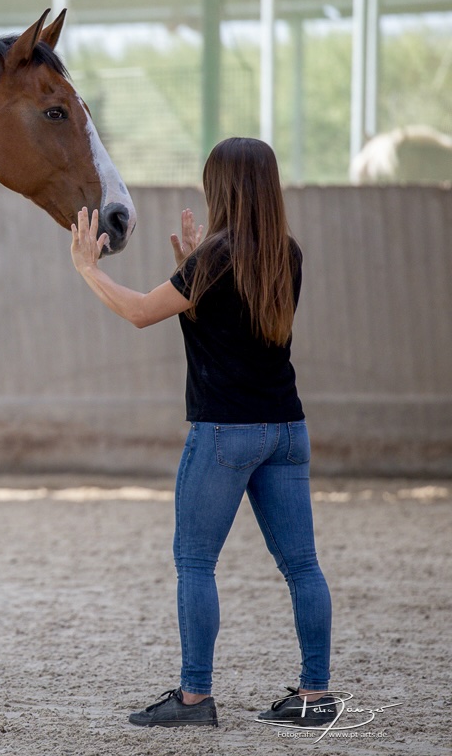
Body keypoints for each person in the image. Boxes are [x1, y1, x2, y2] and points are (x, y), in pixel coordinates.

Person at [69, 137, 335, 728]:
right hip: (288, 431)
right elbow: (239, 324)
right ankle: (316, 696)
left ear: (221, 188)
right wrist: (194, 267)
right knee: (303, 566)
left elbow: (139, 311)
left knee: (195, 563)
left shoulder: (213, 259)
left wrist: (87, 268)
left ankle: (194, 698)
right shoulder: (286, 252)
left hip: (224, 433)